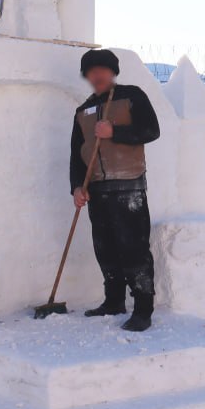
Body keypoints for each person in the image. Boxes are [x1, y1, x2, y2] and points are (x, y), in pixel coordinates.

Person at [70, 48, 161, 332]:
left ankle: (143, 310)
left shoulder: (131, 96)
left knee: (134, 250)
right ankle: (114, 301)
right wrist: (76, 187)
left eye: (102, 69)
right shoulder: (82, 109)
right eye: (91, 71)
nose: (97, 75)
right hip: (96, 189)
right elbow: (76, 153)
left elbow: (151, 131)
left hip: (129, 187)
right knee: (105, 249)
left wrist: (114, 133)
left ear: (112, 72)